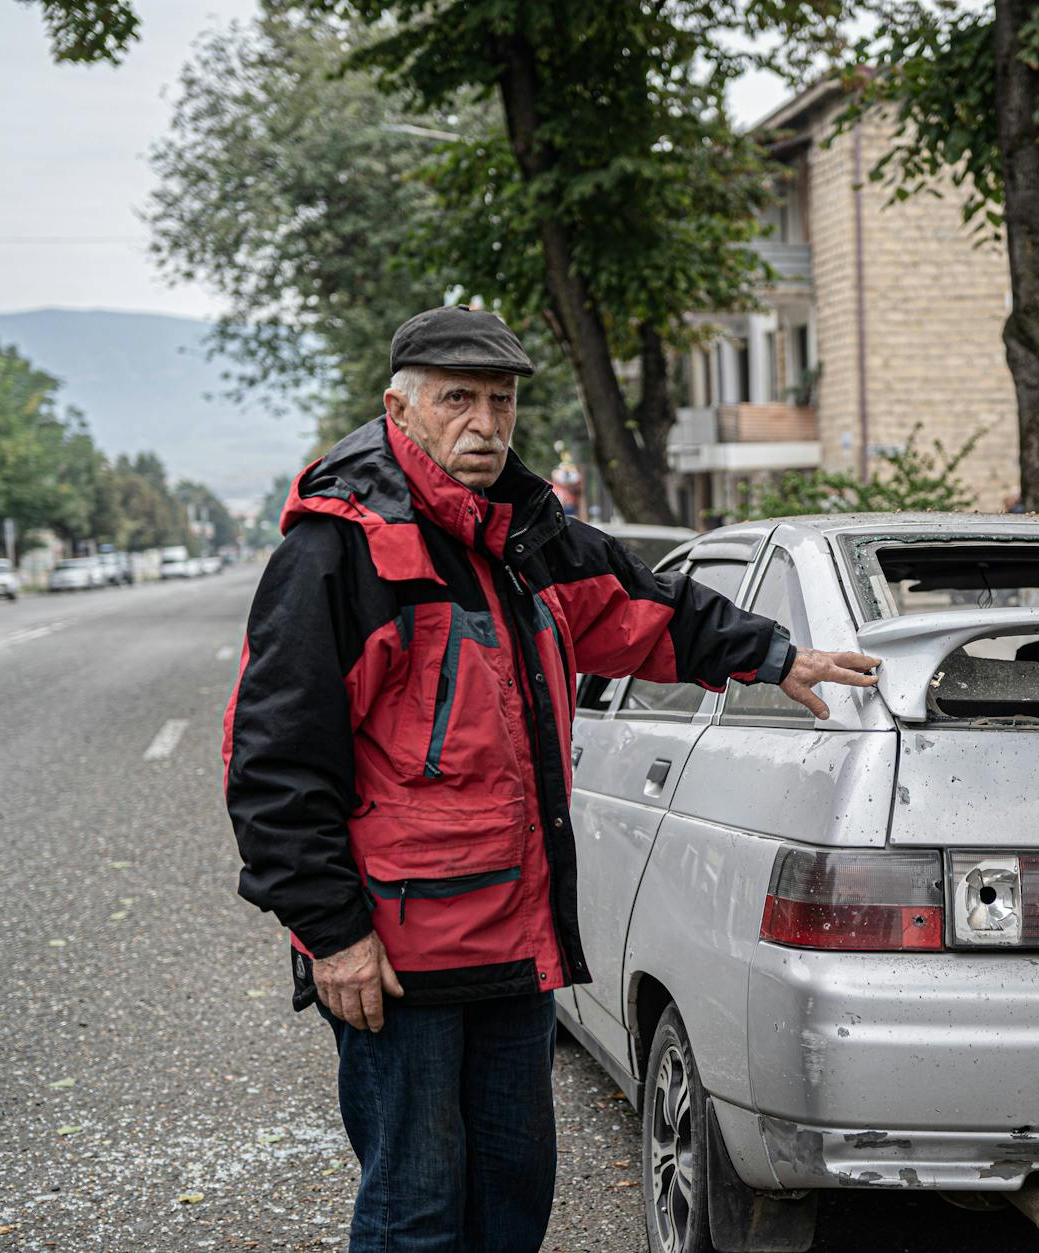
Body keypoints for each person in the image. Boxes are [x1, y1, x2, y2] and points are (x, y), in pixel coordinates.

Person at [222, 305, 878, 1252]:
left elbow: (647, 609)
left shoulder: (525, 535)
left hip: (512, 947)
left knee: (513, 1196)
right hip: (398, 960)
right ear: (398, 408)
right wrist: (334, 935)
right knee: (416, 1208)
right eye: (458, 400)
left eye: (501, 400)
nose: (484, 423)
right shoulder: (340, 550)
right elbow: (272, 763)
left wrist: (776, 655)